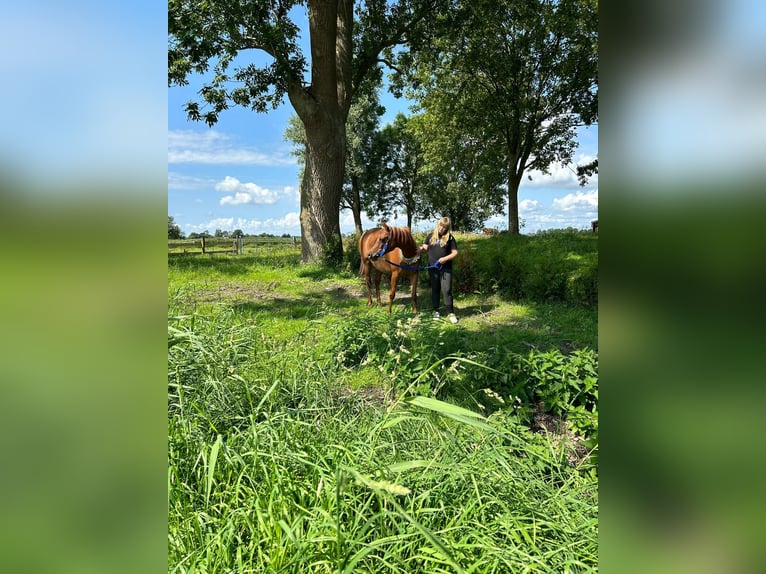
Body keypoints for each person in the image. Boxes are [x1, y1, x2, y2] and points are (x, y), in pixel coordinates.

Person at [420, 216, 459, 323]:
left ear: (447, 228)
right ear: (438, 225)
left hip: (446, 268)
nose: (442, 228)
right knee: (435, 289)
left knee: (446, 290)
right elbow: (425, 248)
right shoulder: (430, 236)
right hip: (433, 268)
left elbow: (455, 253)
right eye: (441, 226)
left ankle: (450, 312)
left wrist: (444, 259)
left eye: (445, 227)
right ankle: (436, 311)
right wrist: (419, 249)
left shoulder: (450, 238)